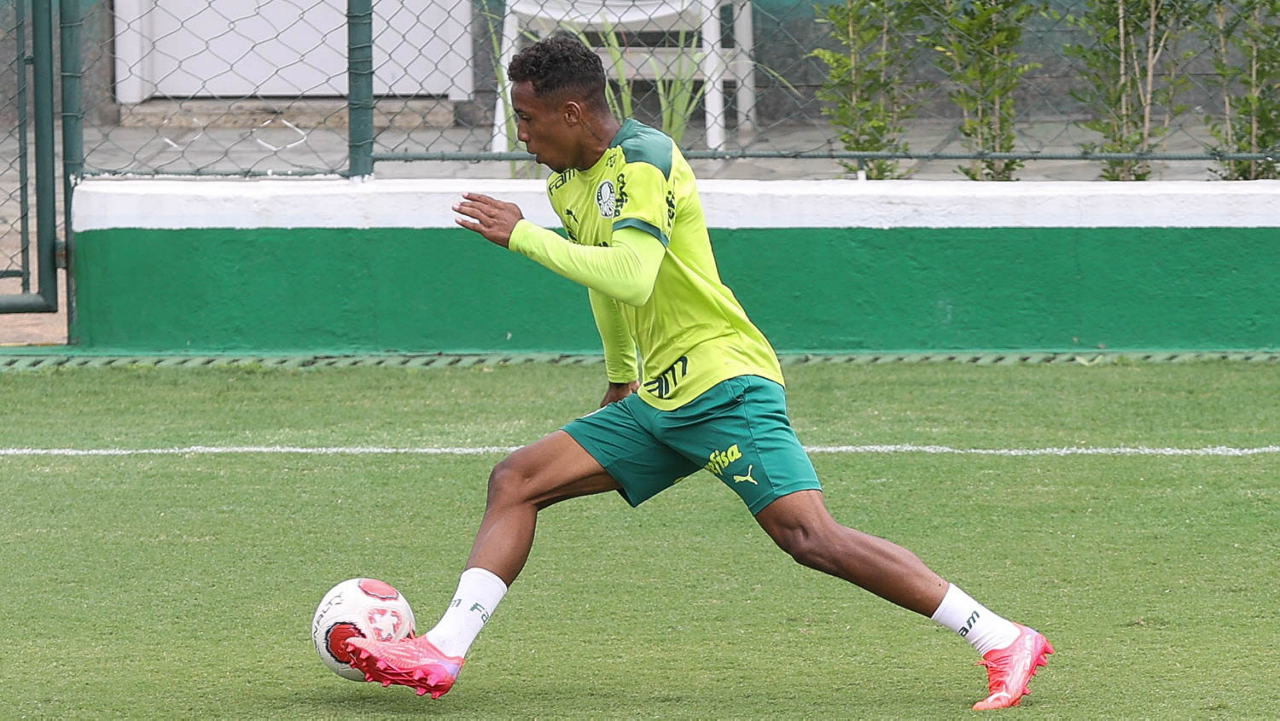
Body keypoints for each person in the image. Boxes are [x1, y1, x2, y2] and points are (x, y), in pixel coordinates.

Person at [346, 35, 1053, 711]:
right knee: (517, 479)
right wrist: (620, 375)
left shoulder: (645, 159)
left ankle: (1000, 636)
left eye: (528, 118)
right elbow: (605, 285)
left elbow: (631, 272)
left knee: (809, 537)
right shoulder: (567, 183)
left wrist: (524, 236)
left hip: (723, 382)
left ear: (572, 112)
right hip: (659, 396)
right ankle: (443, 649)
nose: (521, 135)